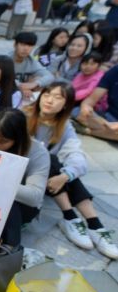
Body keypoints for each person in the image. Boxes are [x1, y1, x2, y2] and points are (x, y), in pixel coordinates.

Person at [25, 82, 117, 258]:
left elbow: (76, 155)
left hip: (47, 179)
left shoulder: (64, 126)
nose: (50, 100)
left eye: (58, 97)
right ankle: (71, 216)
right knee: (48, 158)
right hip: (25, 175)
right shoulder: (24, 116)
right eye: (46, 94)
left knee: (66, 170)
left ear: (66, 104)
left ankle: (93, 225)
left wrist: (66, 175)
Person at [0, 109, 50, 247]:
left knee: (8, 203)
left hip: (20, 205)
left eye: (2, 141)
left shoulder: (37, 152)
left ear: (18, 139)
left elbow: (34, 196)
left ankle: (10, 248)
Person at [11, 31, 54, 105]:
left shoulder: (31, 61)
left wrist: (35, 83)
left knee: (38, 80)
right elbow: (4, 78)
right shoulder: (6, 59)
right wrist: (21, 87)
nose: (26, 49)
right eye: (22, 44)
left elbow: (50, 76)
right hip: (7, 92)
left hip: (25, 93)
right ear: (15, 45)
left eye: (30, 46)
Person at [77, 64, 118, 141]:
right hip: (108, 118)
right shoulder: (115, 71)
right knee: (77, 111)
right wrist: (85, 108)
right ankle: (106, 132)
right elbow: (91, 100)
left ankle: (88, 131)